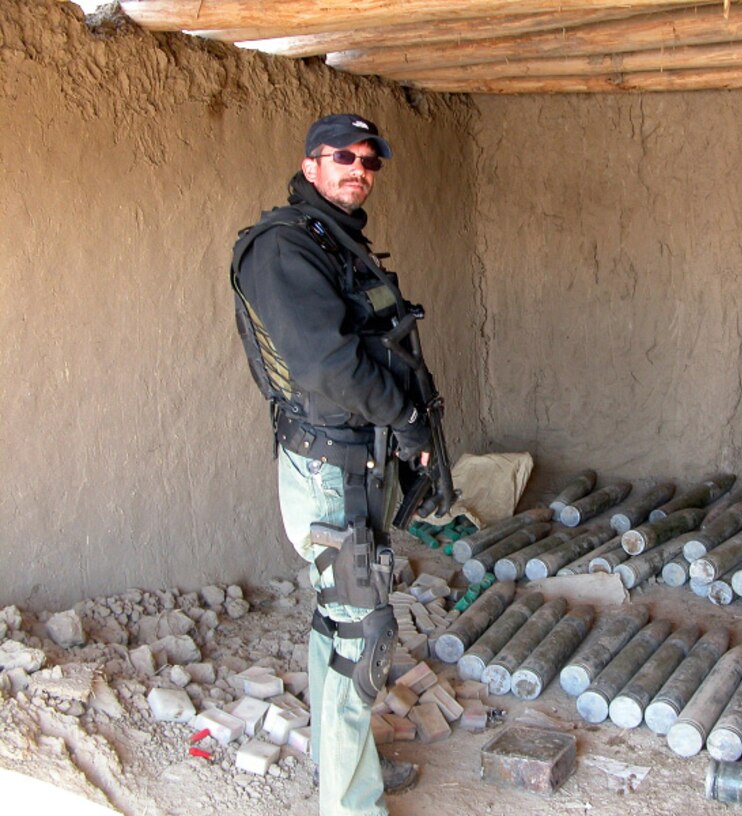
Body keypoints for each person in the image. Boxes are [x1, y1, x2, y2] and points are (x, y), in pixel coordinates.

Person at [231, 113, 431, 815]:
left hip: (354, 464)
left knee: (336, 620)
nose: (359, 168)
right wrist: (404, 417)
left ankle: (339, 764)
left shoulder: (336, 243)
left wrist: (410, 432)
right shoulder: (284, 249)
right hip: (328, 473)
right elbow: (328, 365)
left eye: (371, 159)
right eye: (343, 155)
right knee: (362, 633)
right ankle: (351, 806)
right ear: (311, 164)